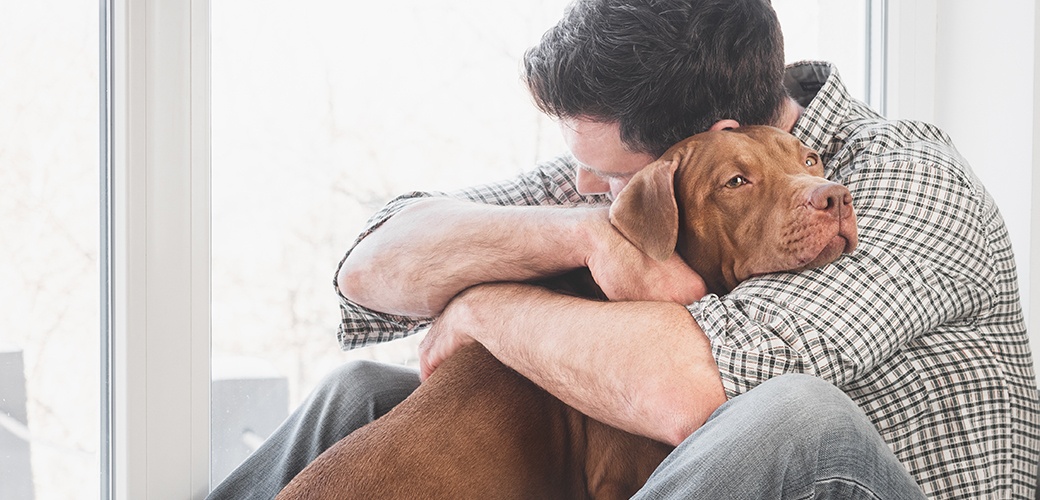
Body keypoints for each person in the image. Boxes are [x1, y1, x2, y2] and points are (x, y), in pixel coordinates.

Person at [208, 0, 1040, 499]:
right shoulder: (628, 181)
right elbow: (370, 269)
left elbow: (692, 392)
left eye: (604, 180)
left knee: (792, 416)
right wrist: (577, 233)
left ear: (697, 151)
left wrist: (484, 305)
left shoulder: (907, 179)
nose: (584, 186)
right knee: (360, 391)